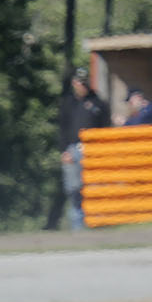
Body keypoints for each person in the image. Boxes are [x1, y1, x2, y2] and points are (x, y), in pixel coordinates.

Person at [59, 68, 109, 230]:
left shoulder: (98, 102)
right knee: (73, 187)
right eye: (80, 82)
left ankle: (95, 223)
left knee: (94, 187)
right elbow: (62, 129)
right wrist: (64, 151)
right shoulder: (68, 103)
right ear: (74, 83)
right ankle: (77, 225)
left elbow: (105, 128)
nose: (82, 85)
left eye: (85, 82)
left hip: (93, 150)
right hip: (73, 149)